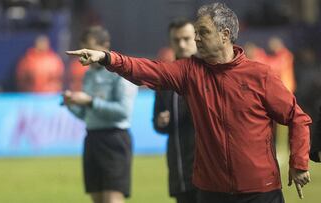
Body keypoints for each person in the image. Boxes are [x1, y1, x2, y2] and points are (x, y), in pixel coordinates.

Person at [66, 3, 311, 203]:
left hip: (261, 192)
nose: (196, 39)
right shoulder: (189, 71)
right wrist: (107, 58)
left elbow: (297, 118)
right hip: (210, 192)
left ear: (225, 35)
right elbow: (147, 69)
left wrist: (298, 164)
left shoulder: (260, 75)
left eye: (203, 32)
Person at [62, 26, 138, 203]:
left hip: (115, 139)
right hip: (92, 138)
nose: (84, 54)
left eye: (89, 48)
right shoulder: (88, 74)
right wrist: (72, 104)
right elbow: (87, 115)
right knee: (97, 199)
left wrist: (89, 101)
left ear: (105, 46)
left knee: (112, 199)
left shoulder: (121, 73)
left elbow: (123, 111)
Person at [152, 18, 198, 203]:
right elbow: (157, 121)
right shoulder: (165, 78)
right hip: (179, 169)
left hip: (210, 175)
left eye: (186, 38)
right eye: (176, 40)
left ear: (197, 38)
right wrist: (161, 122)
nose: (182, 44)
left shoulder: (211, 74)